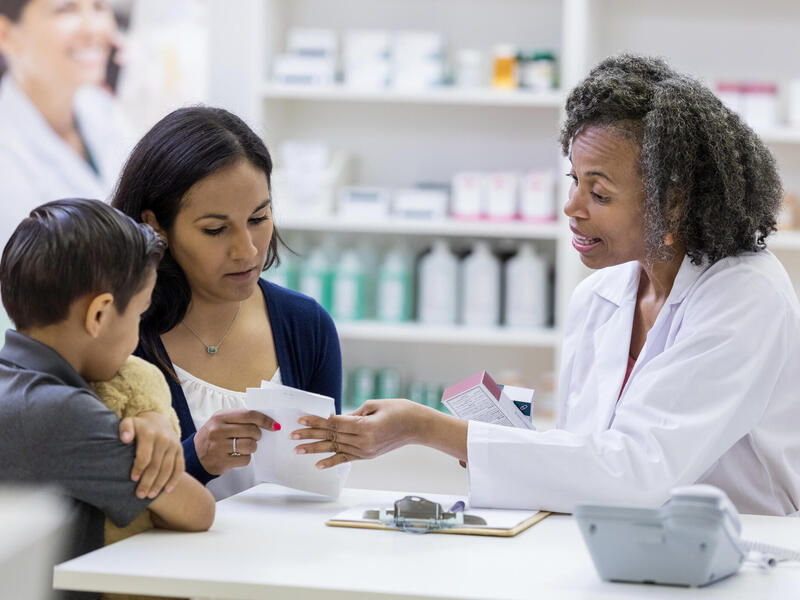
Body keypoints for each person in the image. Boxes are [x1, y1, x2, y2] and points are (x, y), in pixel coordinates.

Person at [292, 54, 800, 516]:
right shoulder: (600, 295)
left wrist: (428, 428)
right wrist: (504, 445)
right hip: (620, 546)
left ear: (672, 201)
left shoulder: (745, 296)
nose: (572, 209)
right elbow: (589, 456)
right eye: (573, 181)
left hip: (743, 559)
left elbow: (638, 471)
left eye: (598, 192)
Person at [112, 106, 343, 501]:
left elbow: (319, 488)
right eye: (216, 230)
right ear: (155, 226)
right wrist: (196, 458)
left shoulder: (306, 325)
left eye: (259, 218)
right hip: (154, 563)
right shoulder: (118, 337)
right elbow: (102, 499)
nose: (247, 250)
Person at [0, 199, 215, 599]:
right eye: (138, 316)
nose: (136, 337)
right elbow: (197, 510)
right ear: (99, 314)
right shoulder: (59, 414)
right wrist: (158, 424)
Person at [0, 0, 134, 246]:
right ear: (6, 34)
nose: (93, 28)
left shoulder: (101, 107)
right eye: (65, 9)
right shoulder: (6, 152)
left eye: (99, 7)